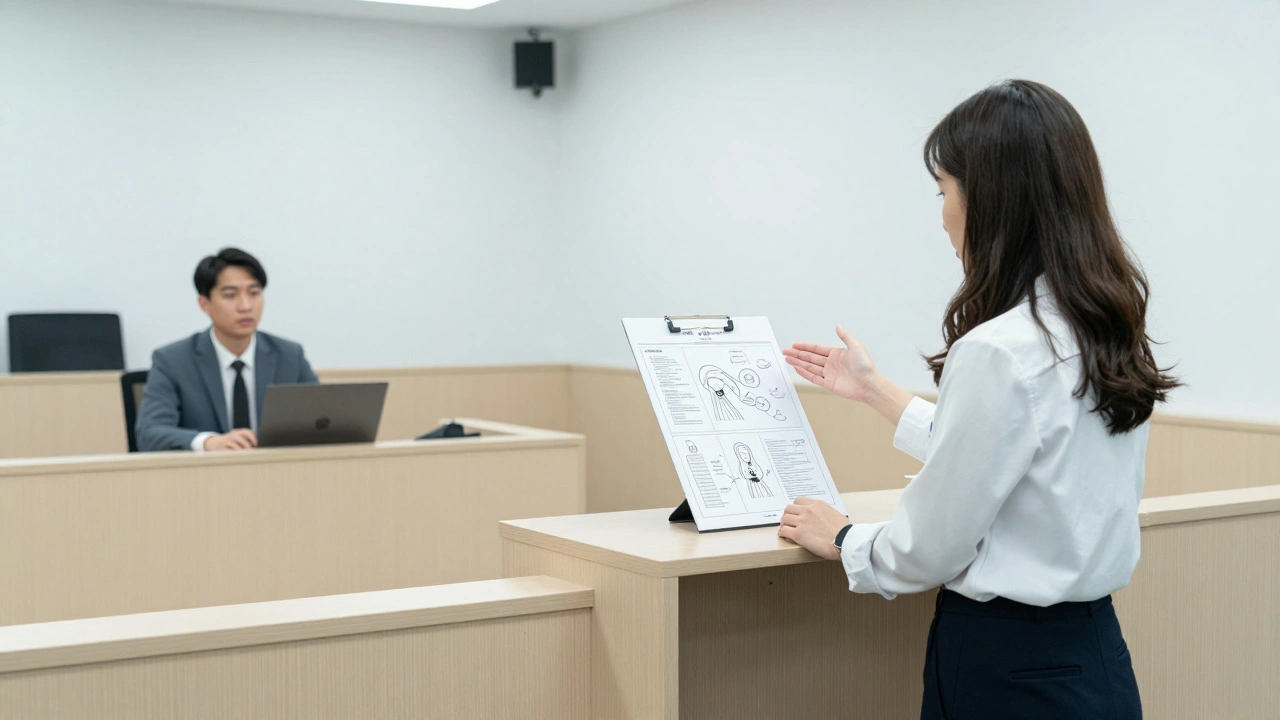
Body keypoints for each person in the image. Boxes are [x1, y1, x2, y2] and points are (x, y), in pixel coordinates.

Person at [778, 80, 1178, 719]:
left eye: (945, 192)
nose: (942, 215)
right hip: (1096, 658)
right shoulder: (1104, 326)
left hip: (1007, 669)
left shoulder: (1000, 349)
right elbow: (1024, 461)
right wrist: (877, 391)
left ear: (992, 201)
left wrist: (845, 537)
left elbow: (929, 548)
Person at [136, 248, 319, 452]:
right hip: (205, 479)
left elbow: (322, 421)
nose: (245, 306)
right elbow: (149, 432)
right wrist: (209, 442)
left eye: (254, 293)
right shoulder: (173, 361)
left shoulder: (289, 356)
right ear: (204, 304)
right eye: (231, 295)